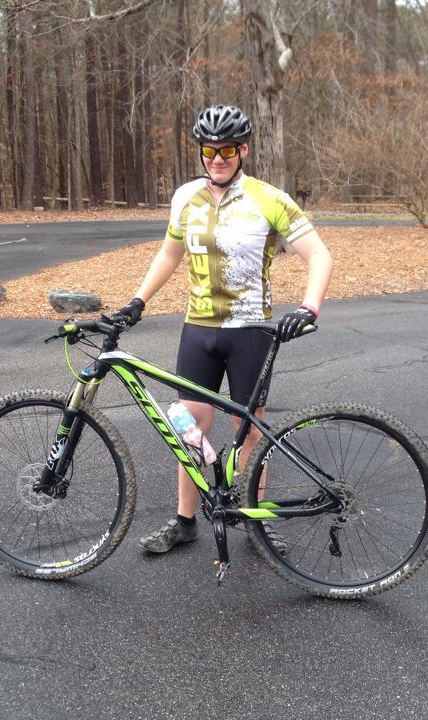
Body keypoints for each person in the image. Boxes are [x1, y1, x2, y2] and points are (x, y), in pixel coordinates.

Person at [110, 104, 333, 554]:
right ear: (200, 151)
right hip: (198, 329)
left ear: (243, 149)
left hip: (250, 330)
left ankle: (257, 520)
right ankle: (185, 520)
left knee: (251, 432)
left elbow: (320, 256)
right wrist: (138, 300)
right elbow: (169, 255)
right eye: (209, 150)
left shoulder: (269, 198)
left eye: (227, 149)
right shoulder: (185, 197)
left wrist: (309, 307)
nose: (217, 158)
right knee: (189, 427)